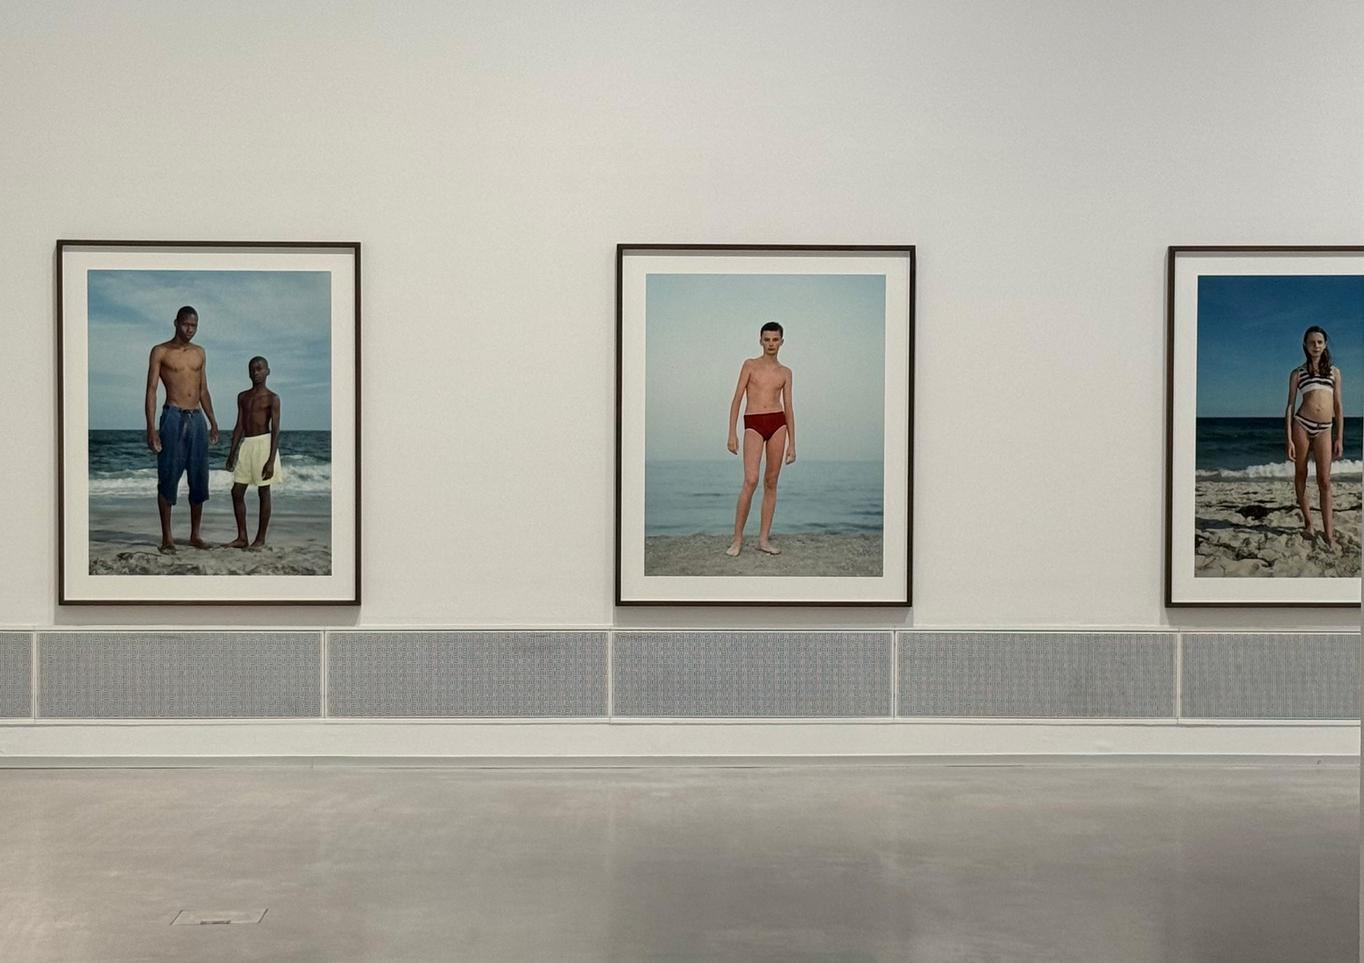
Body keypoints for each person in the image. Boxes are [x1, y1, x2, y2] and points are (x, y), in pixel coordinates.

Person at [145, 305, 219, 553]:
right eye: (186, 324)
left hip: (197, 418)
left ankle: (195, 535)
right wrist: (151, 428)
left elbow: (203, 390)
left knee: (199, 478)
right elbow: (151, 390)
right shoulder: (161, 351)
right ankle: (167, 538)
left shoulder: (200, 352)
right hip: (173, 417)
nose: (190, 330)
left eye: (194, 326)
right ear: (176, 323)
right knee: (168, 476)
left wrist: (213, 421)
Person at [726, 321, 797, 556]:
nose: (771, 344)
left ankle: (763, 540)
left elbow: (789, 407)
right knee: (751, 479)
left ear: (781, 342)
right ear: (760, 341)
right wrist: (732, 433)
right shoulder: (750, 365)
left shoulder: (785, 372)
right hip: (754, 423)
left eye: (775, 340)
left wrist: (793, 443)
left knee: (771, 481)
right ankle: (737, 540)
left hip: (778, 423)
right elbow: (737, 399)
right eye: (767, 340)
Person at [1285, 325, 1343, 548]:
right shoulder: (1298, 373)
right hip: (1302, 424)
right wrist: (1289, 438)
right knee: (1301, 473)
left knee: (1324, 481)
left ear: (1325, 344)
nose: (1315, 346)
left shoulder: (1334, 372)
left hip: (1325, 428)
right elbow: (1290, 406)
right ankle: (1309, 522)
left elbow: (1338, 406)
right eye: (1311, 342)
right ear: (1305, 345)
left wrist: (1339, 437)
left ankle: (1329, 534)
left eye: (1319, 342)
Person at [224, 356, 282, 550]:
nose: (256, 372)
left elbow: (276, 430)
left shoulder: (272, 398)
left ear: (267, 371)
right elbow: (239, 425)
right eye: (252, 369)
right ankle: (242, 537)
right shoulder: (243, 397)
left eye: (260, 369)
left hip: (264, 444)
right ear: (248, 373)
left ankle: (260, 539)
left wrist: (271, 460)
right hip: (247, 445)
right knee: (236, 491)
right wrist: (232, 452)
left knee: (263, 491)